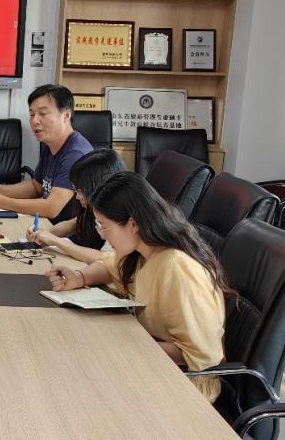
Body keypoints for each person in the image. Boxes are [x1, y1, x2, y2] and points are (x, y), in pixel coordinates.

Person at [45, 171, 228, 403]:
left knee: (81, 386)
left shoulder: (177, 267)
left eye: (104, 226)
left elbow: (199, 356)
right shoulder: (144, 251)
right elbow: (111, 266)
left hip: (187, 383)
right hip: (153, 361)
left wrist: (126, 344)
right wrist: (79, 277)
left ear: (132, 223)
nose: (103, 236)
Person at [0, 84, 92, 223]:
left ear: (66, 115)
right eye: (32, 114)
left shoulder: (75, 154)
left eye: (43, 113)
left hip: (66, 233)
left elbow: (51, 208)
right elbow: (36, 187)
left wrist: (0, 201)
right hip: (46, 226)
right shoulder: (50, 144)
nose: (34, 121)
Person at [26, 149, 125, 263]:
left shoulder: (118, 216)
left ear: (97, 187)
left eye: (80, 191)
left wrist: (55, 241)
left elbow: (106, 258)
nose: (77, 197)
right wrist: (42, 233)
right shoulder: (94, 210)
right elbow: (73, 224)